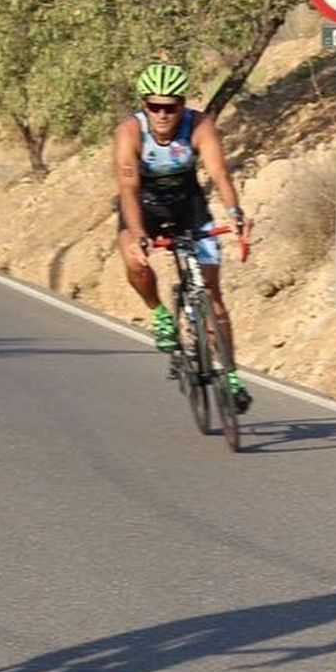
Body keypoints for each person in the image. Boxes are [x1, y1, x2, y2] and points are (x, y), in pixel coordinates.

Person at [114, 61, 252, 412]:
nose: (162, 114)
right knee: (132, 256)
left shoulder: (200, 124)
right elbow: (128, 188)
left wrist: (235, 214)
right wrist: (139, 234)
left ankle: (231, 378)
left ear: (182, 104)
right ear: (145, 105)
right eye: (154, 106)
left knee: (212, 295)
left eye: (170, 106)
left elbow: (219, 174)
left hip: (188, 203)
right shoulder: (130, 132)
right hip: (143, 205)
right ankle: (159, 312)